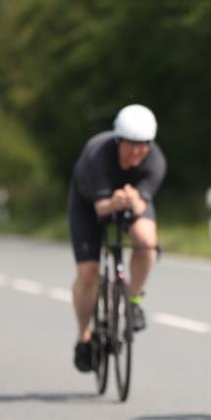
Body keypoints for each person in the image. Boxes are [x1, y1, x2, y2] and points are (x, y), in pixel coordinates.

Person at [68, 104, 166, 374]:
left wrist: (132, 202)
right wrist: (116, 201)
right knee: (88, 273)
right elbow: (101, 209)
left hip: (126, 201)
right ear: (117, 140)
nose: (137, 151)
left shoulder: (155, 161)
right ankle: (84, 336)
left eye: (143, 145)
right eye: (130, 144)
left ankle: (133, 301)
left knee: (146, 243)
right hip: (89, 204)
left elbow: (141, 203)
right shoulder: (96, 154)